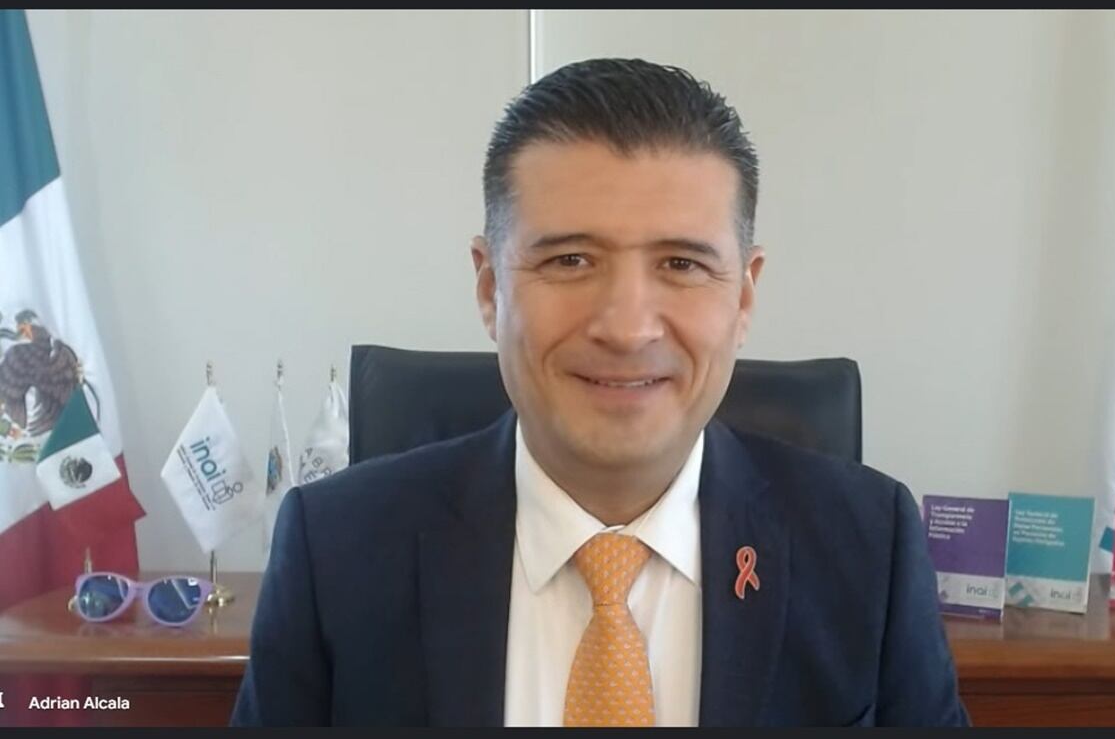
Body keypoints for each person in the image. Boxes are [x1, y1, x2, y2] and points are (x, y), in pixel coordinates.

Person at [230, 58, 969, 727]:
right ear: (489, 288)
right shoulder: (336, 550)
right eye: (571, 260)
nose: (626, 327)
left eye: (681, 264)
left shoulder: (868, 550)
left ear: (743, 297)